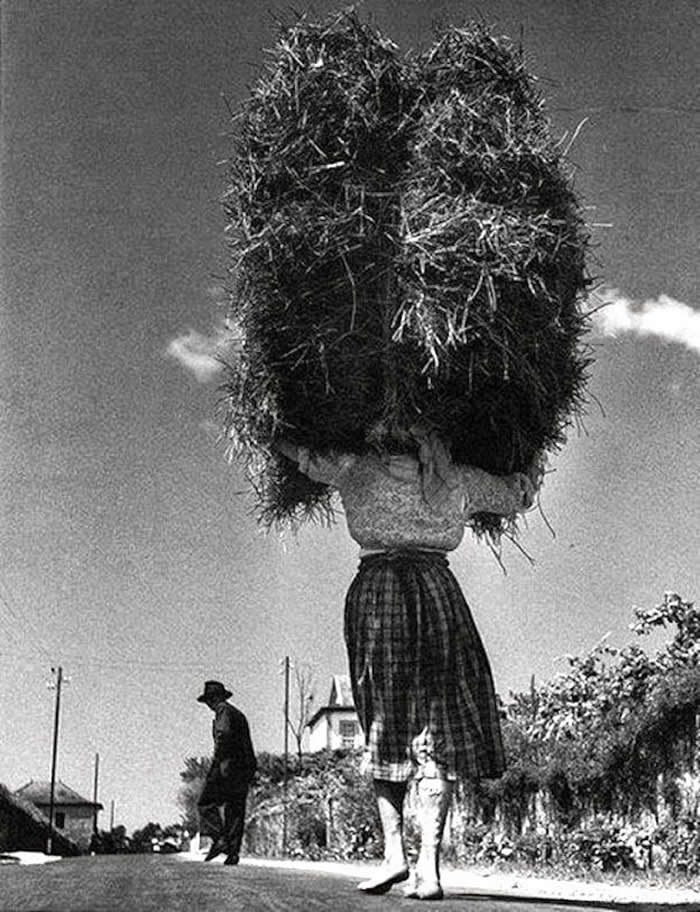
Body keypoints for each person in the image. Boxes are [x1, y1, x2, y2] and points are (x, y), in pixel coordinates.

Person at [276, 430, 540, 900]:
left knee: (382, 721)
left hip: (378, 595)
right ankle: (427, 867)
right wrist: (531, 458)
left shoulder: (355, 467)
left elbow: (298, 452)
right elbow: (517, 496)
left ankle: (395, 856)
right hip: (438, 595)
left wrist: (271, 424)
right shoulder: (458, 477)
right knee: (437, 725)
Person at [196, 680, 257, 865]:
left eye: (209, 701)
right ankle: (233, 853)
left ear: (214, 699)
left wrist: (216, 763)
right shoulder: (238, 714)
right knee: (235, 810)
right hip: (244, 769)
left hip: (227, 766)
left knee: (205, 802)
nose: (208, 705)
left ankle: (220, 838)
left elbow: (223, 735)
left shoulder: (223, 711)